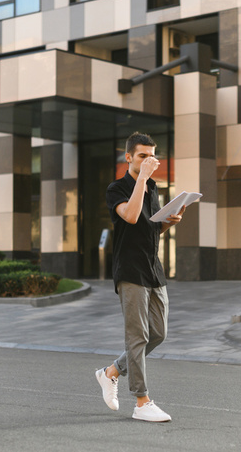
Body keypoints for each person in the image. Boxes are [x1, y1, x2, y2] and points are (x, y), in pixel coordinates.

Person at [96, 132, 185, 422]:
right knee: (138, 337)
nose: (149, 161)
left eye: (152, 156)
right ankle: (142, 401)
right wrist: (142, 180)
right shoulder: (117, 188)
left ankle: (110, 372)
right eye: (142, 156)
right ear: (129, 157)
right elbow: (131, 217)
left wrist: (168, 222)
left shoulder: (153, 188)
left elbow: (147, 228)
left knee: (158, 333)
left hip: (153, 269)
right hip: (130, 270)